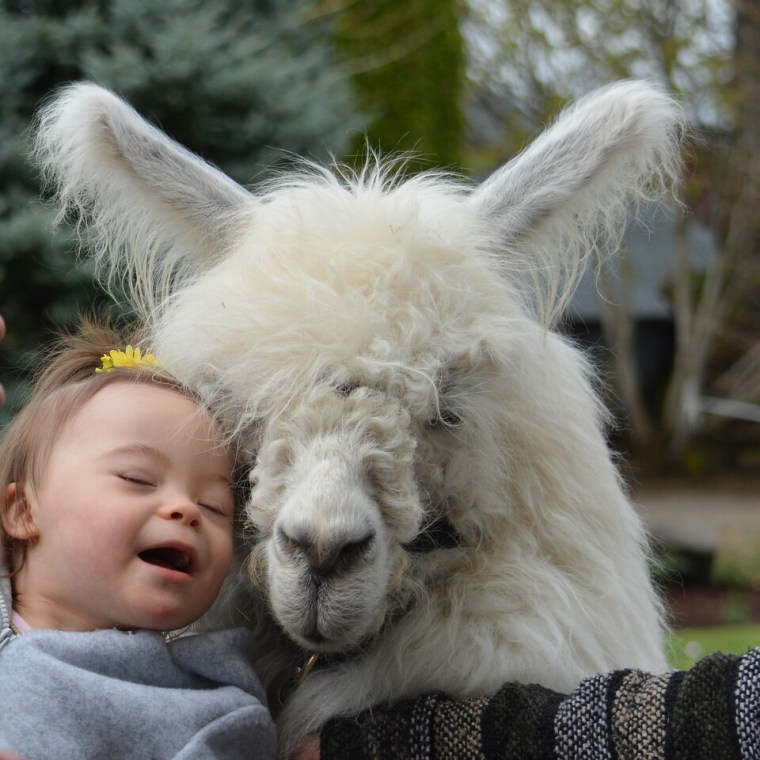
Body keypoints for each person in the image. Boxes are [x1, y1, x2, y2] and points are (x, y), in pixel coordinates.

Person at [0, 319, 276, 760]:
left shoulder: (206, 706)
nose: (184, 510)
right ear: (23, 511)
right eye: (137, 478)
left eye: (214, 506)